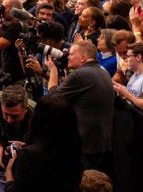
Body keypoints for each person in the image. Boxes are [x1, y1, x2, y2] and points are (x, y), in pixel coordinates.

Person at [46, 39, 115, 170]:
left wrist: (53, 71)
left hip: (84, 147)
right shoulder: (102, 72)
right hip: (98, 144)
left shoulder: (80, 74)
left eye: (71, 54)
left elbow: (52, 99)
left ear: (83, 58)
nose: (68, 57)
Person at [0, 84, 34, 174]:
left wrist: (26, 147)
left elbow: (45, 145)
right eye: (6, 114)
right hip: (8, 136)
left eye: (14, 116)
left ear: (26, 109)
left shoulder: (37, 115)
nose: (9, 120)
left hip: (30, 143)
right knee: (1, 164)